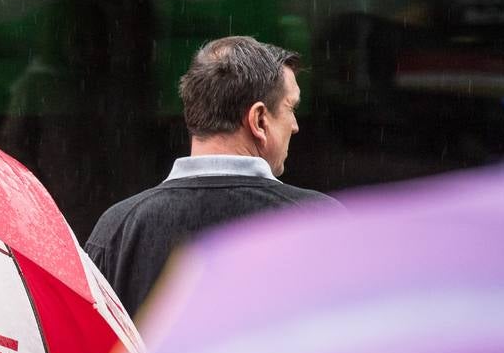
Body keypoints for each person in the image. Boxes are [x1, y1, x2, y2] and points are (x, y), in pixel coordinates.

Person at [85, 35, 337, 317]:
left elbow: (93, 352)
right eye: (291, 108)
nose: (295, 126)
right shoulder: (320, 222)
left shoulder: (117, 228)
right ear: (259, 120)